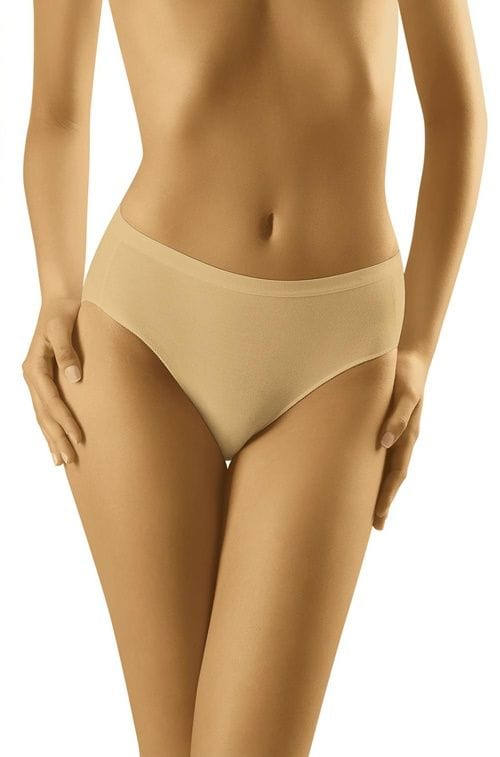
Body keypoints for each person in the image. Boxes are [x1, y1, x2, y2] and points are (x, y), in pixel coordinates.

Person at [21, 1, 486, 755]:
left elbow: (459, 114)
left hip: (340, 353)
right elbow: (58, 111)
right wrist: (56, 291)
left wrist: (420, 345)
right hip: (144, 336)